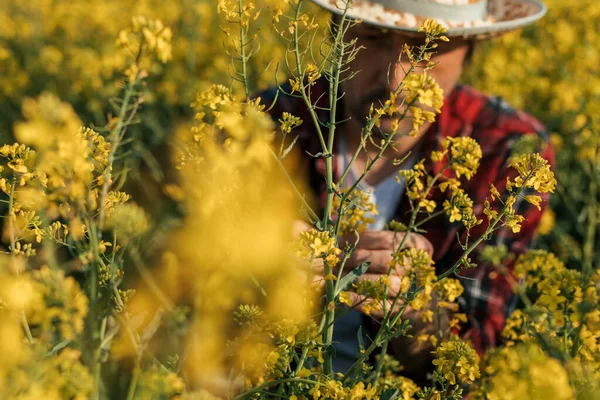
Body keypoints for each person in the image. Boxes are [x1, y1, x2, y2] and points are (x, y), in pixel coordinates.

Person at [259, 0, 553, 381]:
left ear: (471, 51)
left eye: (426, 48)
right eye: (373, 37)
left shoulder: (510, 151)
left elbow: (474, 366)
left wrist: (420, 318)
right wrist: (254, 260)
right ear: (337, 33)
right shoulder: (264, 121)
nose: (395, 79)